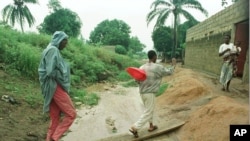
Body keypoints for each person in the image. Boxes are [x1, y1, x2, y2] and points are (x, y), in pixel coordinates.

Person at [38, 31, 76, 141]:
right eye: (65, 41)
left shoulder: (48, 49)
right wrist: (63, 74)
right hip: (54, 86)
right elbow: (50, 72)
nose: (66, 44)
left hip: (50, 87)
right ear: (59, 40)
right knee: (71, 114)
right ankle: (55, 138)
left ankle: (49, 138)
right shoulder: (53, 50)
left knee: (55, 117)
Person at [129, 50, 175, 138]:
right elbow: (169, 72)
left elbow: (137, 80)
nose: (156, 58)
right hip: (150, 93)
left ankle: (151, 126)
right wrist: (173, 65)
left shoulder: (141, 67)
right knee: (148, 111)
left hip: (142, 93)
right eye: (156, 56)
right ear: (154, 57)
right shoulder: (157, 67)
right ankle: (135, 127)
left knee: (148, 110)